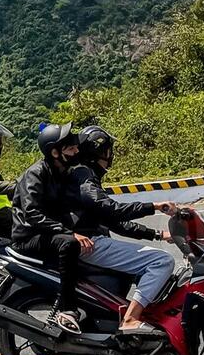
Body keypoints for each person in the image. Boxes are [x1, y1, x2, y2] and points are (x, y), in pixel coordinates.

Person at [12, 123, 180, 336]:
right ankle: (68, 309)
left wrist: (157, 234)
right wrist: (69, 232)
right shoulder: (38, 174)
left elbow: (108, 219)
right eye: (71, 149)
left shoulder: (64, 173)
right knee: (70, 244)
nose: (76, 151)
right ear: (55, 152)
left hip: (51, 232)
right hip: (30, 235)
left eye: (76, 147)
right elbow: (32, 214)